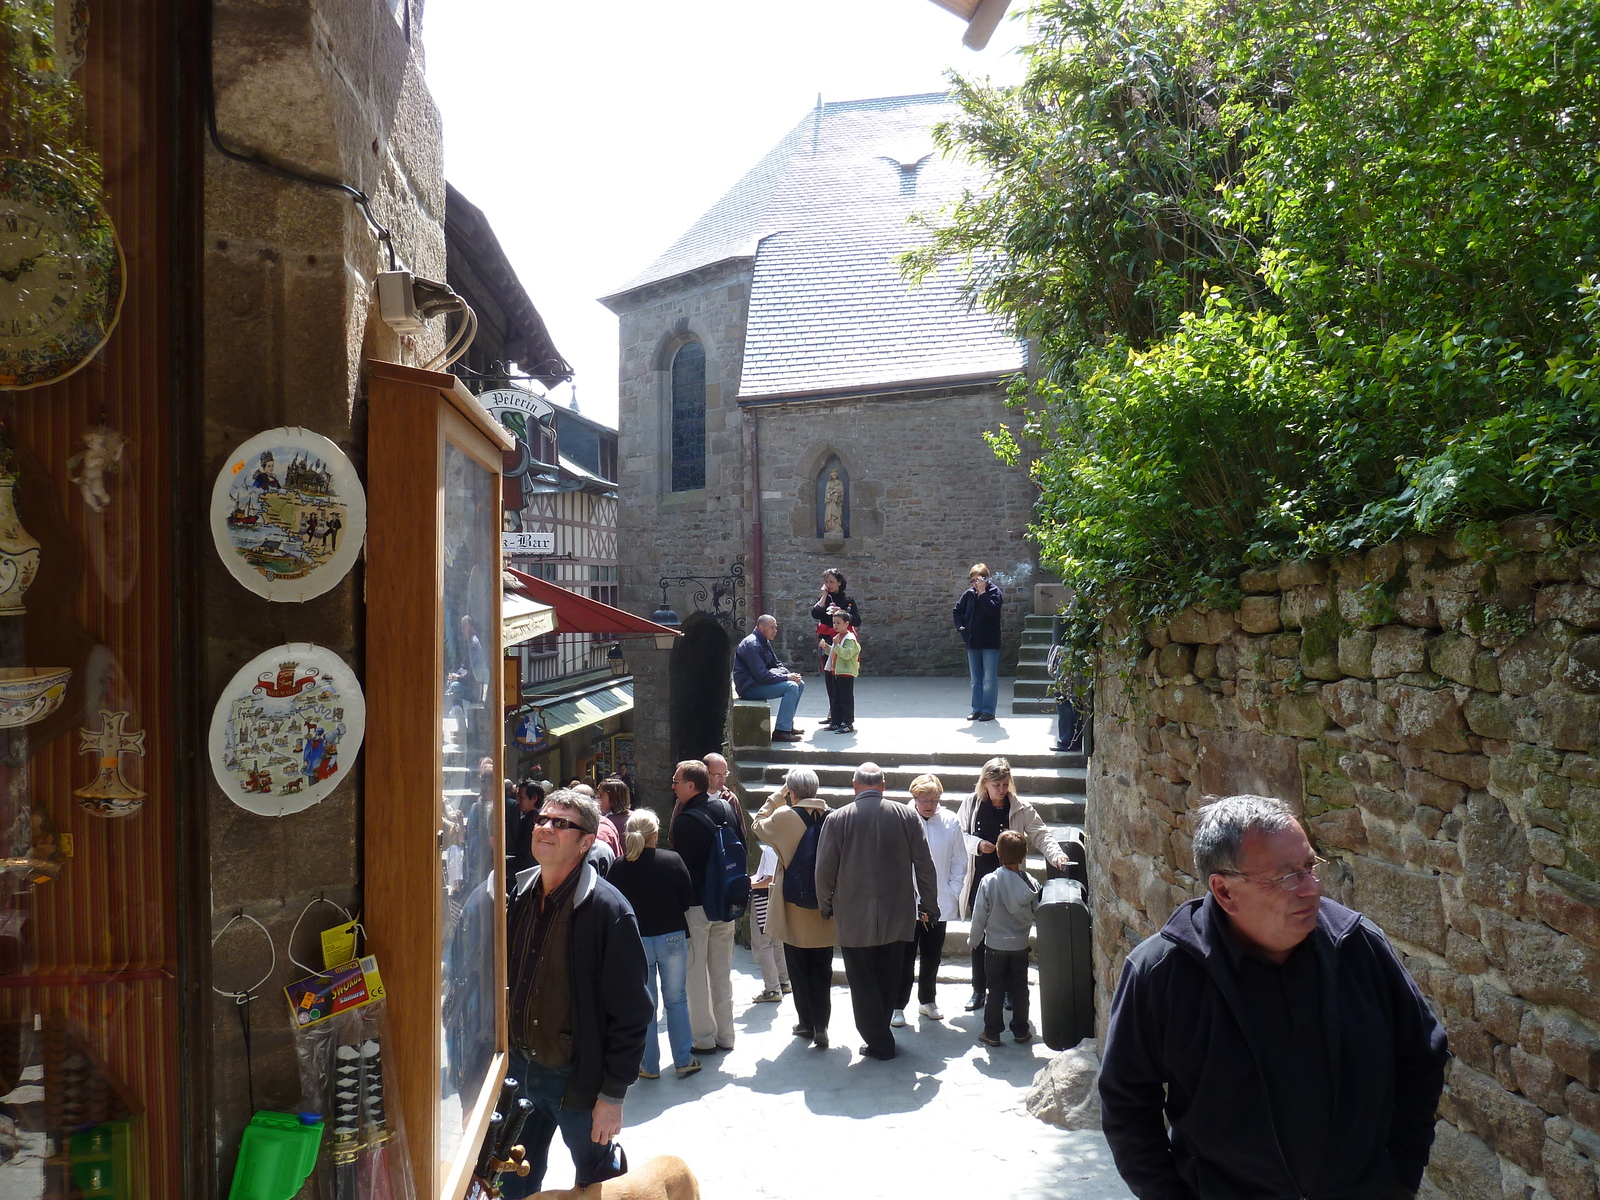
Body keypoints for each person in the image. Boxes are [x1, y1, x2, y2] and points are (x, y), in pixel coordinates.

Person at [1099, 794, 1449, 1200]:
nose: (1310, 889)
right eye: (1286, 878)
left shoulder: (1357, 946)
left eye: (1309, 867)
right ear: (1224, 891)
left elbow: (1422, 1054)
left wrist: (1400, 1177)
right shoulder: (1161, 973)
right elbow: (1126, 1103)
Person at [502, 790, 651, 1198]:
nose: (546, 827)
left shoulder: (609, 911)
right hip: (519, 1072)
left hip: (576, 1082)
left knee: (598, 1182)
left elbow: (634, 1013)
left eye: (561, 823)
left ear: (586, 842)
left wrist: (612, 1096)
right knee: (510, 1180)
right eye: (542, 820)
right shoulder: (517, 896)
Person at [814, 762, 938, 1061]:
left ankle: (879, 1040)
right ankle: (880, 1034)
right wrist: (929, 905)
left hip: (854, 915)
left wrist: (825, 905)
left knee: (863, 979)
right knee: (889, 975)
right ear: (883, 786)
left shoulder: (838, 818)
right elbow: (925, 864)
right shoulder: (907, 815)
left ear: (854, 785)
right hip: (898, 913)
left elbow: (824, 870)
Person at [954, 757, 1071, 1012]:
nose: (1001, 789)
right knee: (981, 935)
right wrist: (977, 845)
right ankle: (978, 989)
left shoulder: (1020, 807)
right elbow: (958, 835)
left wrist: (1057, 855)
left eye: (1005, 784)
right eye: (996, 784)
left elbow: (1041, 834)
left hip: (1010, 881)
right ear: (984, 783)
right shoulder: (971, 804)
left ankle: (1007, 990)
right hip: (980, 880)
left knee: (1009, 936)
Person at [605, 810, 699, 1081]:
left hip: (637, 940)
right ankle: (683, 1059)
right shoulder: (672, 860)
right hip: (671, 935)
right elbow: (687, 898)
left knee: (646, 1003)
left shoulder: (619, 867)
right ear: (655, 833)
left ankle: (649, 1064)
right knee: (677, 999)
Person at [752, 767, 838, 1049]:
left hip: (793, 905)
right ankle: (823, 1023)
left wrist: (777, 798)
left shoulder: (784, 816)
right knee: (822, 968)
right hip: (825, 906)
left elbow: (757, 825)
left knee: (799, 968)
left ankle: (806, 1023)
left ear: (792, 791)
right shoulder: (833, 816)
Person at [668, 759, 743, 1053]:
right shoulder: (725, 808)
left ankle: (703, 1038)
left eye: (676, 781)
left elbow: (684, 870)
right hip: (725, 902)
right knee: (722, 972)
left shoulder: (686, 821)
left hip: (698, 906)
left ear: (690, 785)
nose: (673, 786)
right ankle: (726, 1035)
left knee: (696, 973)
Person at [893, 774, 966, 1024]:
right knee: (904, 957)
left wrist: (951, 891)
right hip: (907, 902)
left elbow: (959, 861)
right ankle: (898, 1005)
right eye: (925, 800)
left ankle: (927, 1000)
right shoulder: (901, 819)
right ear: (914, 798)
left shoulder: (950, 821)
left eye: (935, 800)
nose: (930, 805)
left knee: (932, 954)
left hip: (938, 902)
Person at [968, 830, 1039, 1047]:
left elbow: (979, 914)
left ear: (998, 852)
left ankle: (992, 1031)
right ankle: (1021, 1029)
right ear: (1024, 854)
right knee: (1020, 988)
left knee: (995, 989)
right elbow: (1039, 913)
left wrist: (974, 939)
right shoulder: (1032, 884)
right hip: (1020, 946)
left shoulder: (989, 881)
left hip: (995, 946)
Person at [733, 615, 805, 741]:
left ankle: (787, 725)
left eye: (776, 627)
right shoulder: (753, 644)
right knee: (791, 687)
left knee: (800, 683)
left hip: (758, 683)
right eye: (772, 627)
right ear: (761, 628)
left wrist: (789, 675)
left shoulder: (764, 641)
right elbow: (761, 675)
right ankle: (781, 731)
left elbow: (777, 664)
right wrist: (787, 677)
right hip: (749, 688)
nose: (775, 630)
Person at [952, 563, 1003, 722]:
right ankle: (977, 709)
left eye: (978, 580)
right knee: (976, 680)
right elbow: (957, 610)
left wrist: (982, 594)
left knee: (989, 679)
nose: (975, 583)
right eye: (972, 580)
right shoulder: (969, 594)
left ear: (986, 579)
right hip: (973, 642)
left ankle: (988, 710)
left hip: (989, 643)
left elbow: (992, 612)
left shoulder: (994, 593)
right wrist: (961, 627)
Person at [811, 568, 863, 710]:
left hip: (841, 640)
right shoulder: (824, 598)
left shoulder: (847, 600)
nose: (828, 585)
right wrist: (823, 596)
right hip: (826, 640)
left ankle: (841, 713)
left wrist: (842, 613)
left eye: (832, 582)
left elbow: (857, 620)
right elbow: (815, 614)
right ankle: (832, 711)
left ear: (839, 582)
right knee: (828, 675)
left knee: (840, 674)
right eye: (826, 582)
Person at [746, 839, 792, 1003]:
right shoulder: (787, 845)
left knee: (762, 946)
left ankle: (772, 989)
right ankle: (783, 980)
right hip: (778, 901)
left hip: (764, 901)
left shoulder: (771, 850)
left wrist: (747, 884)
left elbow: (770, 880)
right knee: (777, 943)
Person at [822, 610, 860, 734]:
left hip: (846, 673)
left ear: (846, 623)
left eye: (838, 623)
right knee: (836, 698)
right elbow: (834, 652)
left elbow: (847, 654)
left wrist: (836, 646)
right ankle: (836, 721)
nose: (835, 625)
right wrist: (827, 648)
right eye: (834, 622)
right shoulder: (837, 637)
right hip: (836, 672)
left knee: (846, 699)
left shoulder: (850, 638)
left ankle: (847, 723)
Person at [597, 777, 631, 848]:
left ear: (613, 799)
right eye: (598, 793)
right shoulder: (603, 816)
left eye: (601, 795)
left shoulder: (626, 821)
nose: (597, 797)